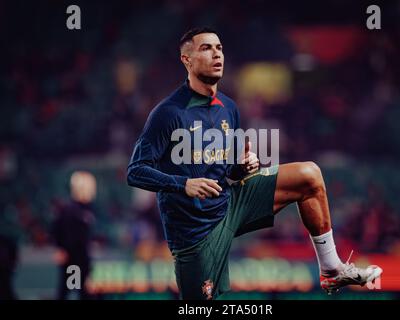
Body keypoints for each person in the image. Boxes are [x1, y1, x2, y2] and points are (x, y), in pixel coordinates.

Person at [127, 27, 382, 300]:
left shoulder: (229, 108)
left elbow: (227, 175)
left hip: (229, 205)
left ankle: (332, 270)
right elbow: (135, 172)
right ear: (186, 60)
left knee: (309, 175)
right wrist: (184, 184)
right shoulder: (168, 113)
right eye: (206, 48)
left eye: (219, 48)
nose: (217, 54)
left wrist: (241, 168)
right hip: (194, 236)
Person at [52, 171, 96, 300]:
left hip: (78, 261)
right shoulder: (73, 211)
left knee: (76, 291)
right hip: (74, 262)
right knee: (75, 290)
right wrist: (62, 249)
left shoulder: (82, 209)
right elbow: (61, 232)